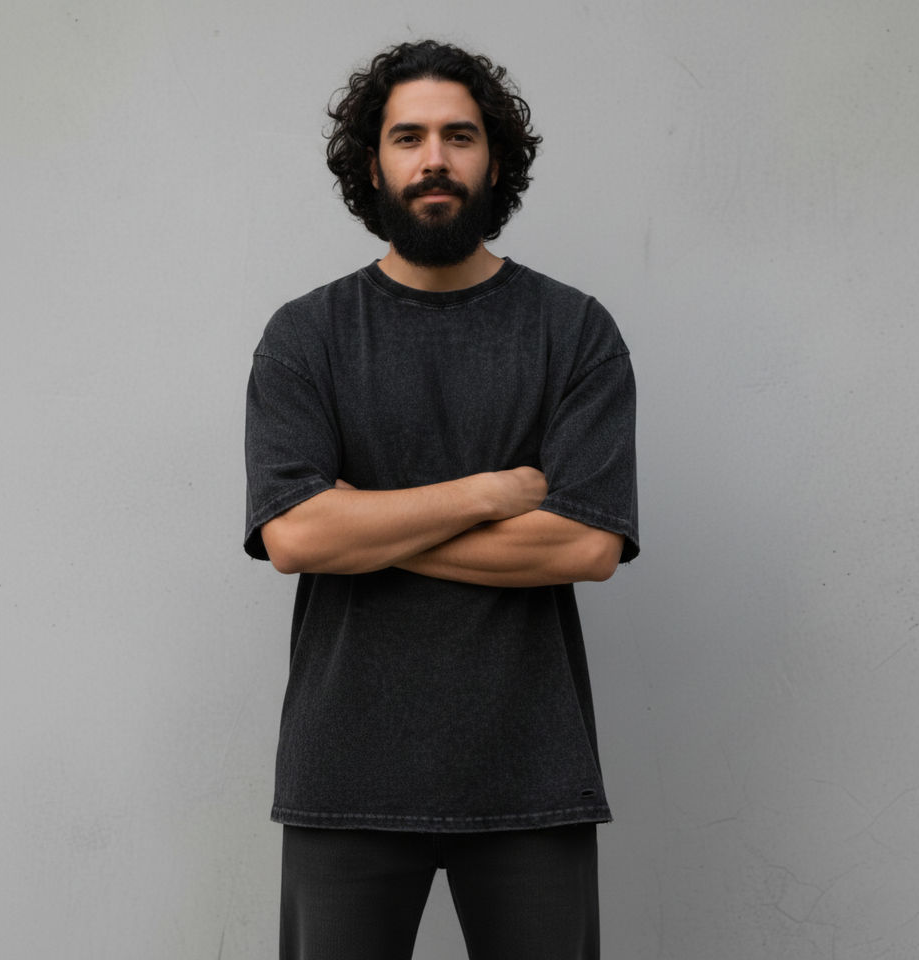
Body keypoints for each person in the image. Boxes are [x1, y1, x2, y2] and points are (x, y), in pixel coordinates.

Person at [244, 39, 639, 960]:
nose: (434, 159)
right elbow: (296, 538)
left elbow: (585, 548)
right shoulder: (306, 336)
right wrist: (491, 492)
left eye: (459, 136)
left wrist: (365, 522)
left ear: (495, 160)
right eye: (408, 137)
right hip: (344, 773)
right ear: (371, 164)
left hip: (530, 772)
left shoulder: (574, 331)